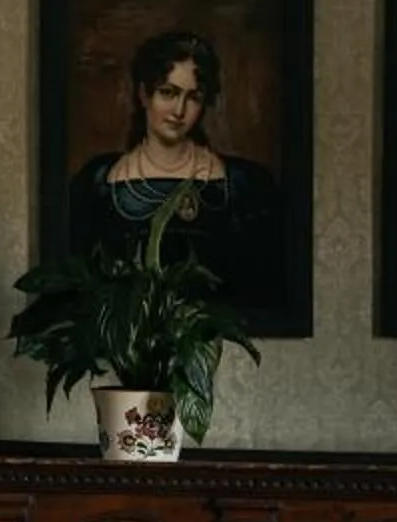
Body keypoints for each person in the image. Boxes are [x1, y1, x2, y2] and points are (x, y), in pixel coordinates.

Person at [68, 28, 281, 312]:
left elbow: (262, 294)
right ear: (144, 94)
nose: (179, 110)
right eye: (168, 93)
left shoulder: (247, 184)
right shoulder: (98, 182)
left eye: (193, 97)